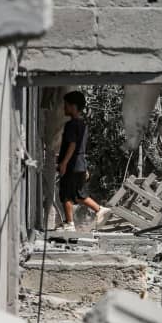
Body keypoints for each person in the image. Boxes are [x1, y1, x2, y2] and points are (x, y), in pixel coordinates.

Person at [57, 91, 111, 232]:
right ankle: (99, 209)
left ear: (73, 106)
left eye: (66, 105)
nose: (64, 108)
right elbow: (81, 147)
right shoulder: (83, 125)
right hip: (79, 164)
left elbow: (73, 145)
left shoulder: (71, 125)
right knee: (78, 194)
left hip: (72, 165)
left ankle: (69, 224)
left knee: (66, 194)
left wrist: (63, 163)